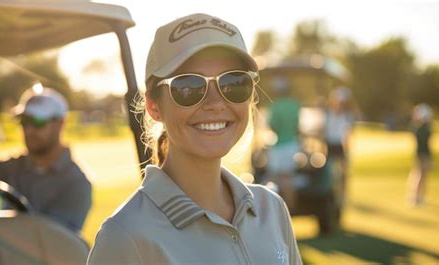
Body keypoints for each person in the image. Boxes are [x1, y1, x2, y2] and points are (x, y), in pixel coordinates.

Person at [88, 13, 302, 265]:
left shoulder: (271, 209)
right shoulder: (125, 236)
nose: (215, 103)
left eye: (234, 83)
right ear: (154, 106)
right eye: (188, 87)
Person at [0, 87, 92, 234]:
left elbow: (53, 241)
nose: (28, 130)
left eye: (38, 121)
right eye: (24, 122)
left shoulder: (76, 183)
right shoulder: (10, 167)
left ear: (60, 124)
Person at [266, 76, 301, 213]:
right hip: (292, 144)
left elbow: (274, 126)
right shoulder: (295, 104)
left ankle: (276, 212)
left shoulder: (275, 106)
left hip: (279, 145)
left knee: (274, 178)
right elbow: (297, 126)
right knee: (288, 179)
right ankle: (289, 211)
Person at [323, 86, 356, 206]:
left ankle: (342, 196)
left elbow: (347, 134)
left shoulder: (347, 116)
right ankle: (331, 194)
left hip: (340, 146)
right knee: (329, 173)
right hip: (329, 145)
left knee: (343, 173)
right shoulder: (328, 114)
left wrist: (347, 149)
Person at [407, 103, 432, 206]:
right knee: (420, 176)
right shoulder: (422, 129)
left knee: (420, 175)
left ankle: (418, 197)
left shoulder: (420, 128)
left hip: (422, 154)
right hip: (422, 154)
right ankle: (416, 197)